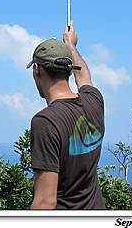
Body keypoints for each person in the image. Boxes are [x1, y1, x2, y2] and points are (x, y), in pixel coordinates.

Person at [27, 20, 105, 210]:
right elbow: (84, 77)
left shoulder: (46, 122)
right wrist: (71, 46)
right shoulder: (94, 101)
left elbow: (45, 202)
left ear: (37, 70)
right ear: (70, 70)